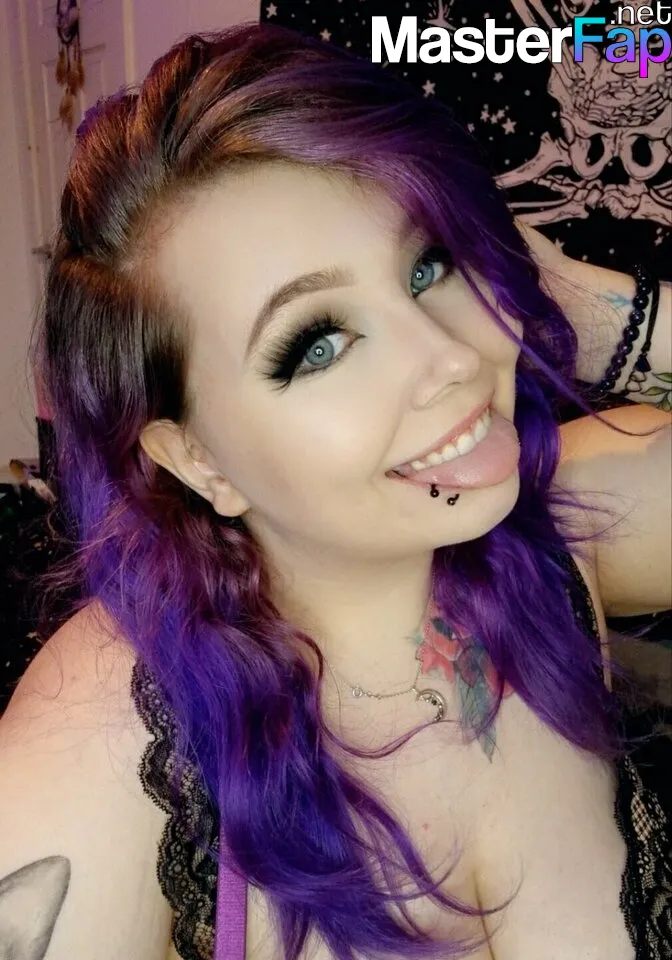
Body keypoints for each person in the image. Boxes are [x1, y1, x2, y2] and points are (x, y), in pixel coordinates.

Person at [0, 21, 670, 960]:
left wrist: (606, 313)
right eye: (318, 344)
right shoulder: (112, 738)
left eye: (428, 263)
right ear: (197, 460)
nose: (451, 357)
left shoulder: (567, 534)